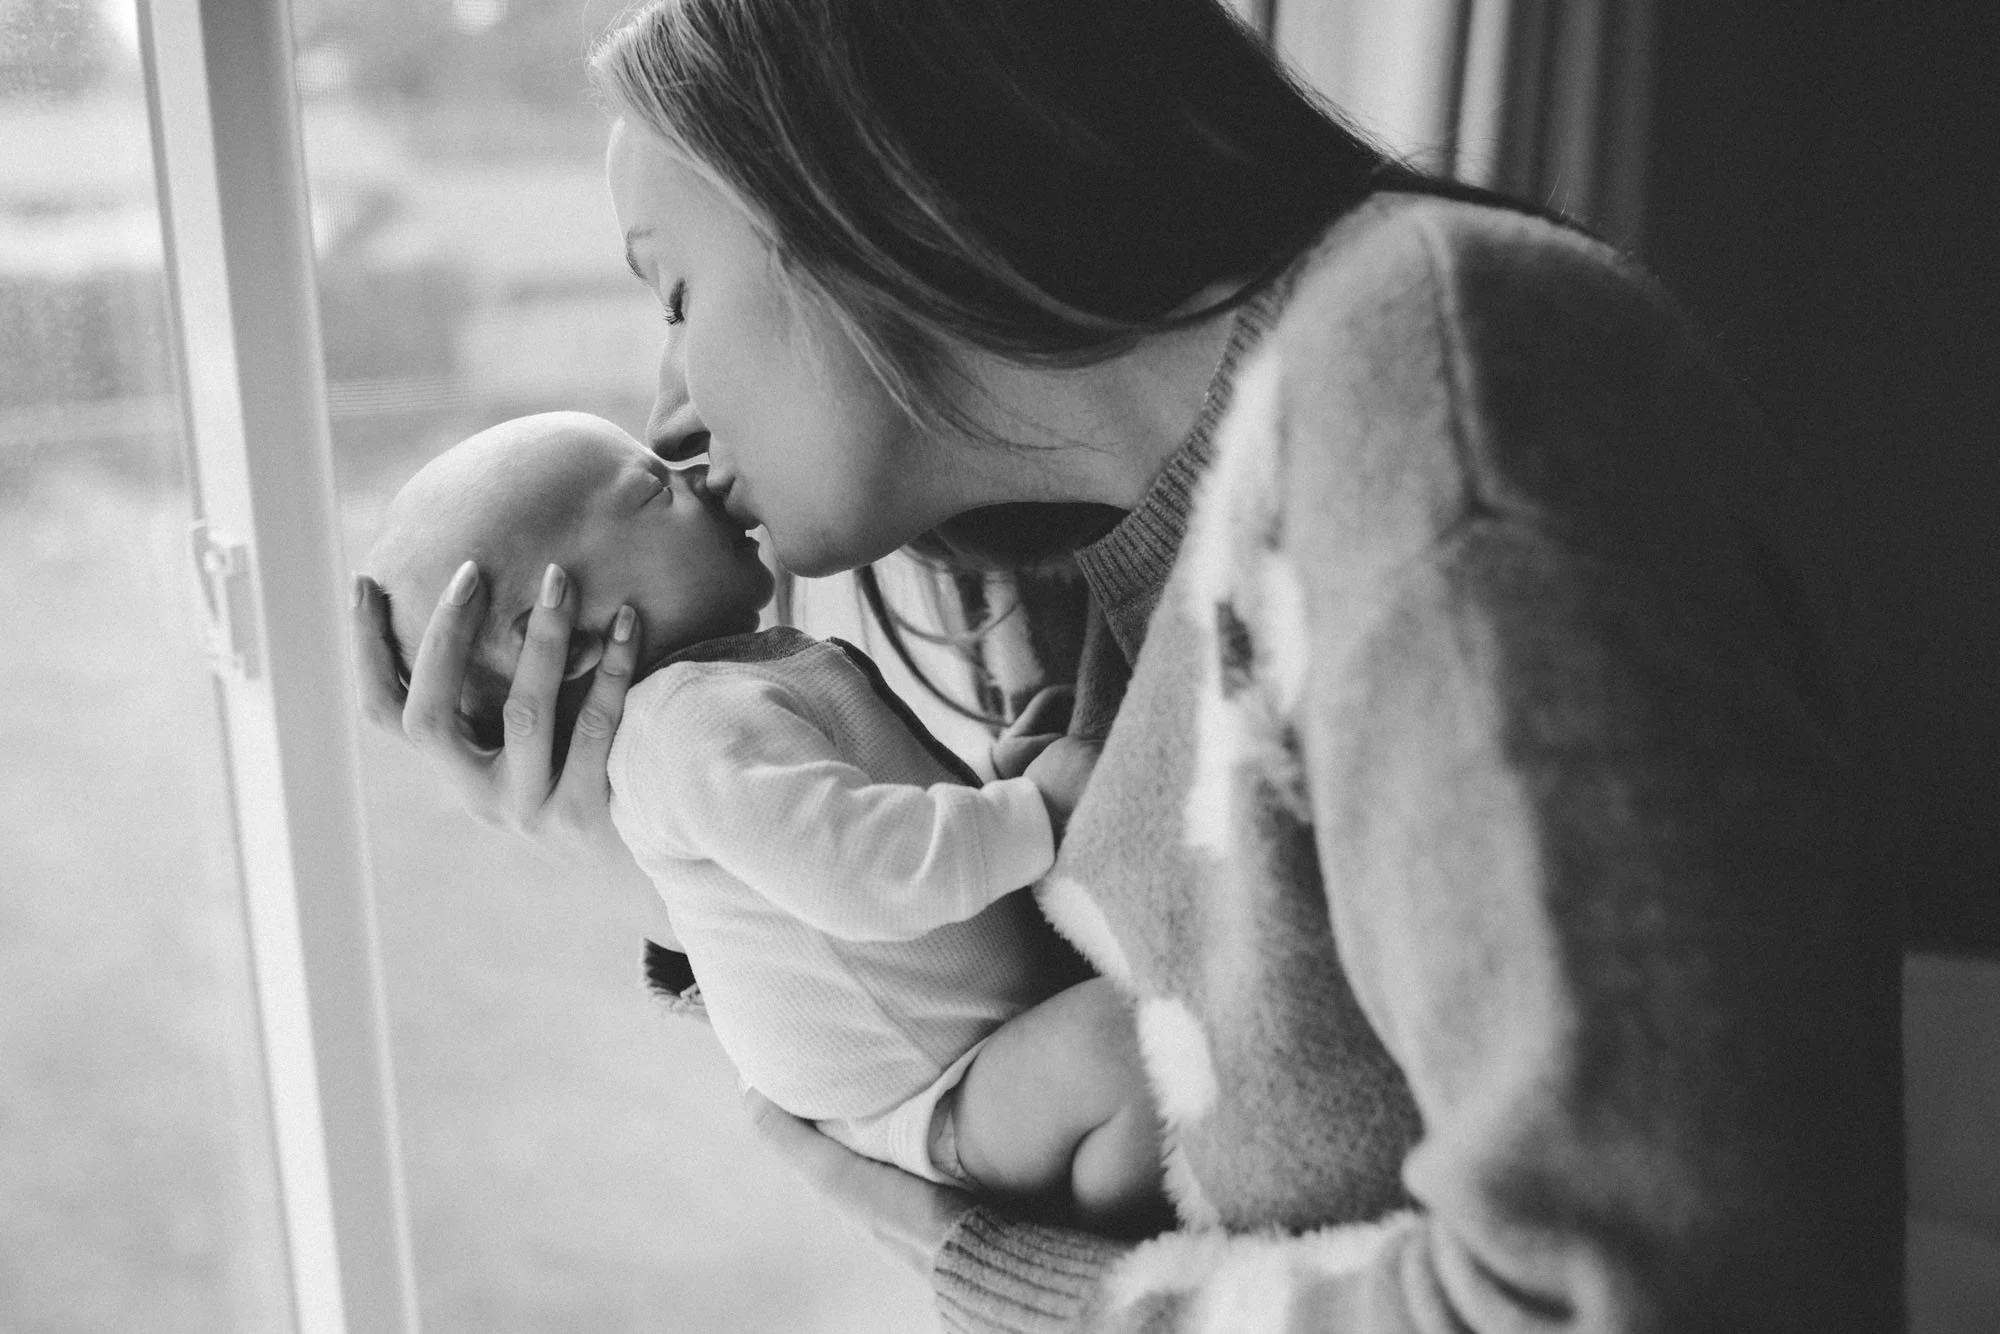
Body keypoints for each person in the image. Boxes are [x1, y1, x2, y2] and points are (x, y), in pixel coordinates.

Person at [350, 0, 1903, 1329]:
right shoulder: (1094, 589)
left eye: (673, 287)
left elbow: (1644, 1296)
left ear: (867, 180)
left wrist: (1029, 1287)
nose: (671, 411)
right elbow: (1187, 1097)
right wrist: (680, 857)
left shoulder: (1434, 389)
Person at [363, 410, 1166, 1231]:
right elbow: (864, 874)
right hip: (942, 1090)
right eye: (651, 489)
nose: (700, 473)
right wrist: (1036, 811)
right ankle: (1112, 1243)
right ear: (566, 635)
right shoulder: (684, 724)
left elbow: (848, 848)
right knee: (1128, 1053)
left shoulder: (714, 701)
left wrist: (998, 778)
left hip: (963, 1048)